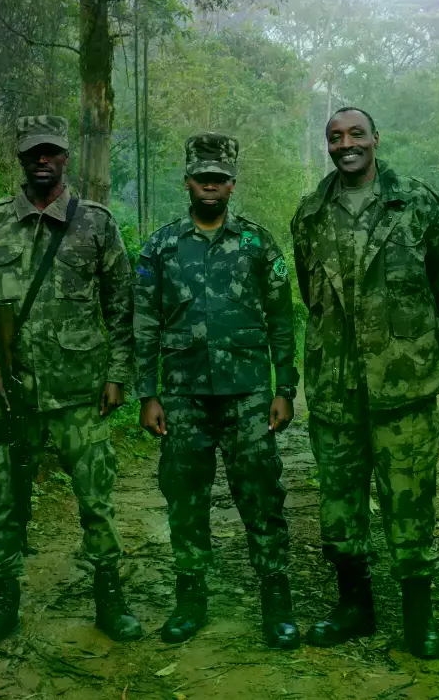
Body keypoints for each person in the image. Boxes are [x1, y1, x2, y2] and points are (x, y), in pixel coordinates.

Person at [0, 115, 141, 648]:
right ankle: (3, 607)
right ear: (19, 157)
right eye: (33, 151)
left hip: (79, 394)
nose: (43, 160)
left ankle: (110, 602)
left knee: (95, 502)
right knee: (8, 504)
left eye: (52, 151)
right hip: (12, 396)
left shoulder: (96, 223)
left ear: (66, 157)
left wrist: (118, 376)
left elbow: (121, 306)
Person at [290, 106, 439, 659]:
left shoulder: (415, 202)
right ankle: (354, 606)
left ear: (376, 139)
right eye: (335, 137)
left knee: (410, 503)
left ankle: (419, 618)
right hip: (336, 387)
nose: (346, 144)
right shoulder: (310, 213)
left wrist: (402, 340)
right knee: (340, 506)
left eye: (355, 134)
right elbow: (308, 290)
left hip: (403, 387)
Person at [133, 133, 299, 649]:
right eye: (201, 177)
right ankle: (190, 599)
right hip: (183, 397)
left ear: (232, 183)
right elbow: (143, 321)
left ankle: (277, 602)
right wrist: (148, 393)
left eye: (219, 178)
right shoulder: (162, 246)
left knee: (261, 496)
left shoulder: (256, 243)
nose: (210, 186)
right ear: (188, 181)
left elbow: (281, 319)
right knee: (185, 497)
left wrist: (285, 387)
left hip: (249, 394)